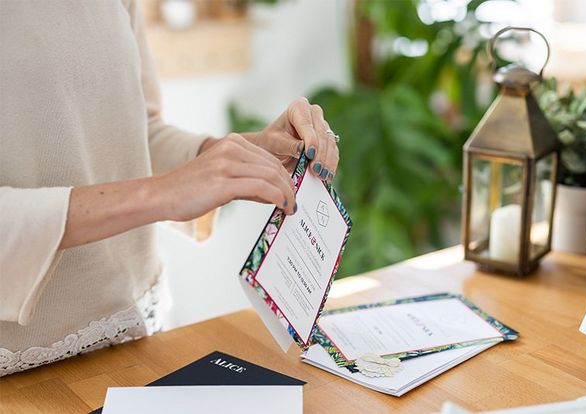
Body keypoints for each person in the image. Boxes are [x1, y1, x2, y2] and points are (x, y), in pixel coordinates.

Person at [0, 0, 339, 376]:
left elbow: (135, 132)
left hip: (131, 332)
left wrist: (244, 154)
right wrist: (160, 194)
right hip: (18, 367)